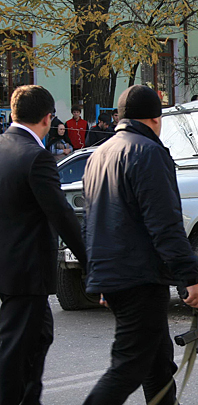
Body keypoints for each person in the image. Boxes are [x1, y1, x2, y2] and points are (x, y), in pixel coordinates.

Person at [82, 85, 198, 405]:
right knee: (129, 367)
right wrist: (190, 277)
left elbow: (93, 223)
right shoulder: (149, 152)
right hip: (140, 277)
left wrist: (101, 279)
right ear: (156, 118)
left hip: (118, 276)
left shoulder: (99, 155)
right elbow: (165, 224)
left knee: (156, 364)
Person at [0, 85, 86, 404]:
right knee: (15, 353)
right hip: (28, 272)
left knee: (39, 337)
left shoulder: (3, 146)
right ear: (48, 119)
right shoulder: (37, 157)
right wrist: (92, 263)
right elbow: (62, 215)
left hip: (10, 268)